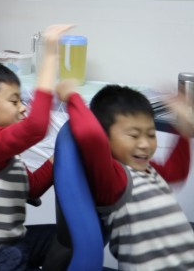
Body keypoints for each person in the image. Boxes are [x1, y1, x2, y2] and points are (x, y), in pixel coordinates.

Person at [0, 24, 72, 271]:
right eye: (14, 101)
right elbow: (37, 127)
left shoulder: (3, 149)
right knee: (16, 256)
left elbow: (33, 187)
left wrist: (61, 154)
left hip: (11, 241)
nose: (23, 108)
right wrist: (50, 56)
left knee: (66, 239)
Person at [59, 83, 194, 268]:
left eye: (151, 134)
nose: (145, 144)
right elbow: (91, 136)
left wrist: (183, 130)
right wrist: (72, 97)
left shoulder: (147, 169)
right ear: (105, 138)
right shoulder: (115, 179)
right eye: (134, 135)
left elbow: (176, 172)